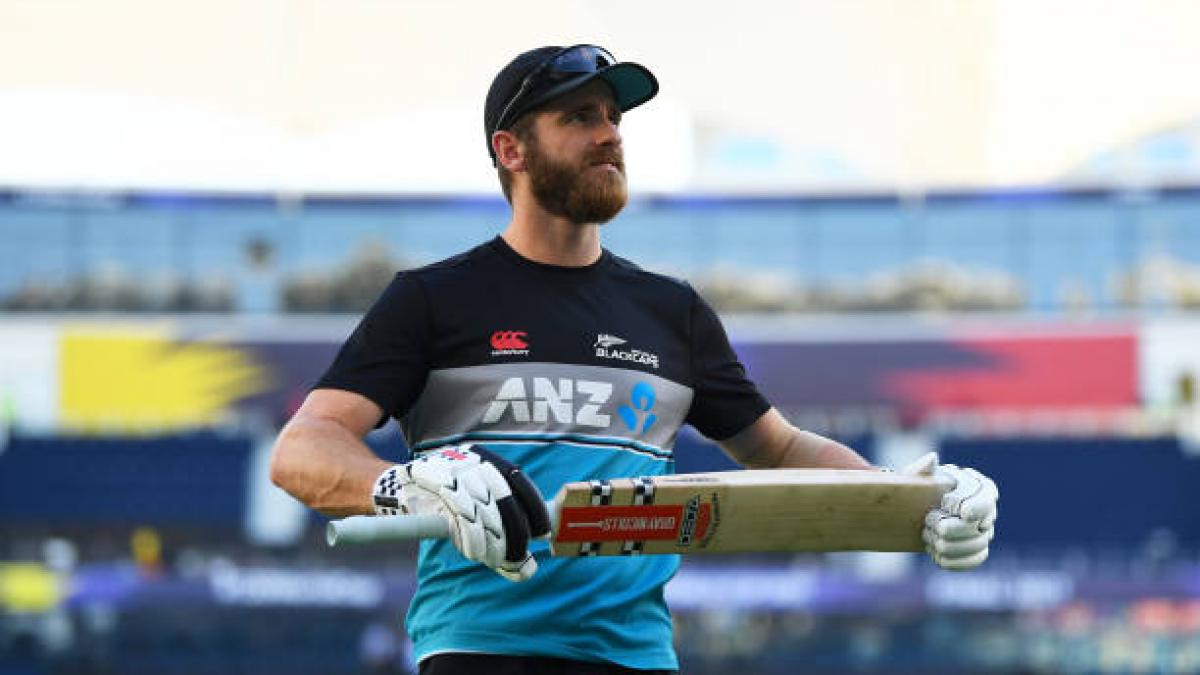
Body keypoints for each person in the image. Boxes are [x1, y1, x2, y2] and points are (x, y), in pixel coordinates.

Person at [270, 44, 999, 675]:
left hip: (636, 655)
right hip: (481, 650)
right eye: (580, 117)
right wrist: (413, 485)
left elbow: (780, 449)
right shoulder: (432, 300)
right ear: (511, 150)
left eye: (613, 118)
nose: (609, 135)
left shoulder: (669, 311)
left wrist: (909, 500)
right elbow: (302, 449)